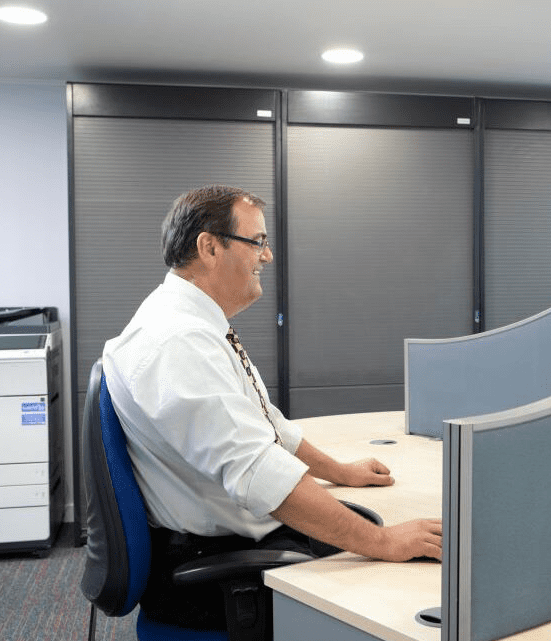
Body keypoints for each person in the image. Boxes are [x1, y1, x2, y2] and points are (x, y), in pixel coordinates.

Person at [102, 184, 442, 629]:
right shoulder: (176, 342)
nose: (268, 256)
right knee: (403, 594)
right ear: (209, 247)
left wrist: (340, 472)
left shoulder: (192, 323)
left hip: (235, 536)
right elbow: (258, 472)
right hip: (222, 573)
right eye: (257, 242)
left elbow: (267, 424)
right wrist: (383, 542)